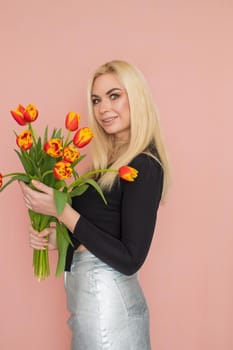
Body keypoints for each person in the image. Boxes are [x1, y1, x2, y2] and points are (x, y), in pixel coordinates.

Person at [19, 60, 170, 350]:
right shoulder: (108, 165)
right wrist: (57, 239)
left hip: (108, 309)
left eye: (114, 95)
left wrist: (61, 211)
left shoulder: (143, 165)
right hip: (91, 304)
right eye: (96, 100)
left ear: (136, 97)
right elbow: (101, 231)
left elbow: (130, 258)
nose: (103, 108)